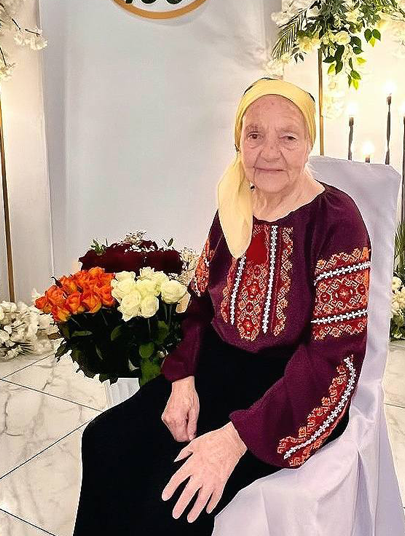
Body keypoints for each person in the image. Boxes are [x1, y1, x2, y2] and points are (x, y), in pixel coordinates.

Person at [73, 79, 371, 534]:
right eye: (255, 135)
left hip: (292, 389)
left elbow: (332, 358)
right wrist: (182, 379)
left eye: (288, 137)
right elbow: (199, 305)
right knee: (103, 442)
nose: (269, 152)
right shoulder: (234, 204)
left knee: (172, 502)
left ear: (309, 142)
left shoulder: (337, 220)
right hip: (214, 370)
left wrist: (235, 439)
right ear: (239, 141)